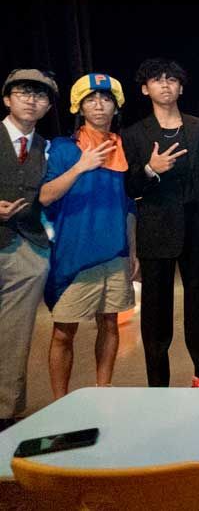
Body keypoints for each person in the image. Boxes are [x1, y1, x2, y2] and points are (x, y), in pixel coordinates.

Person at [122, 58, 199, 388]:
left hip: (196, 228)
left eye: (171, 79)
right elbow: (130, 186)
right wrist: (151, 169)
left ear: (181, 87)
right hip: (156, 229)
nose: (165, 84)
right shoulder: (133, 134)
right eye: (157, 80)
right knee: (156, 312)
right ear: (145, 89)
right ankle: (158, 384)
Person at [40, 74, 135, 398]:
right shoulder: (64, 149)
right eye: (91, 99)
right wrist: (81, 166)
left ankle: (103, 393)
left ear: (116, 106)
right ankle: (59, 402)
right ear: (79, 106)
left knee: (110, 324)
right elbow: (45, 196)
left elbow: (129, 207)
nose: (99, 104)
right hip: (75, 255)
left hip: (116, 254)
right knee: (63, 332)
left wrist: (132, 251)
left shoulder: (124, 148)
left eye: (106, 99)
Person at [1, 68, 58, 429]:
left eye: (39, 96)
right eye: (23, 92)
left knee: (14, 334)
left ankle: (5, 411)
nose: (31, 100)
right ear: (7, 98)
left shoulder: (46, 147)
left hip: (26, 249)